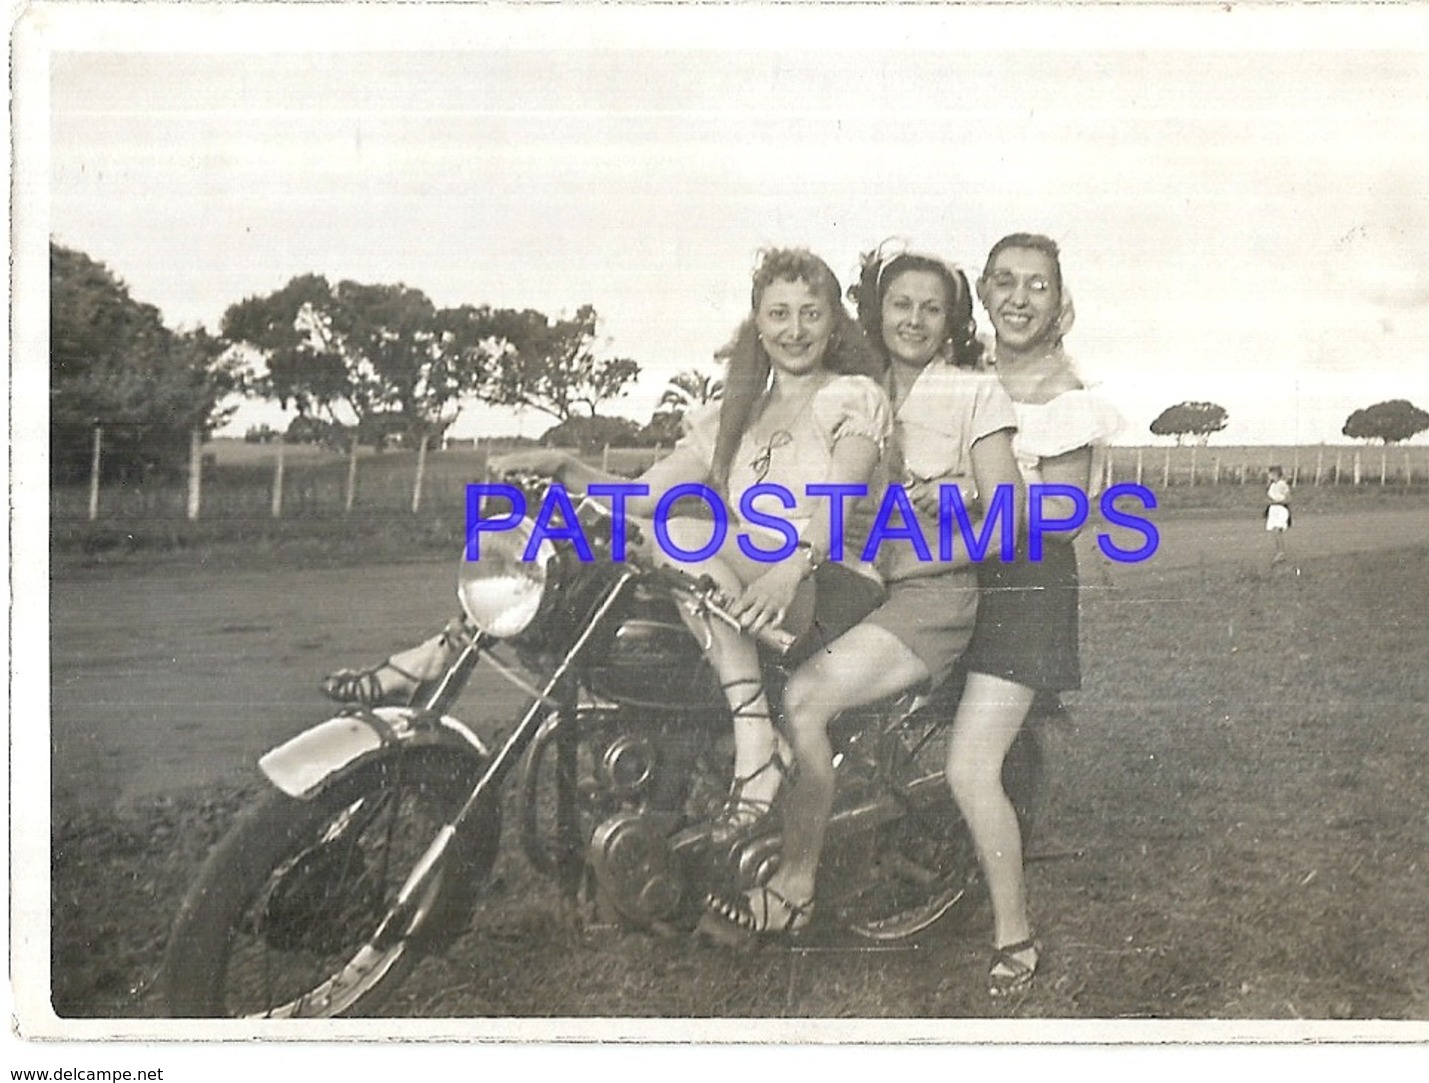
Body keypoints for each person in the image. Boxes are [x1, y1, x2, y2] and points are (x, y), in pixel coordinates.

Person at [321, 248, 892, 839]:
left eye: (810, 314)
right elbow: (641, 497)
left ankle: (755, 739)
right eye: (779, 314)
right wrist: (566, 467)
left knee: (670, 535)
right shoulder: (736, 410)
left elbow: (836, 504)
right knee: (569, 535)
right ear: (757, 322)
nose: (794, 331)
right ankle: (440, 650)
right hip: (745, 578)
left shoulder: (851, 397)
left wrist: (787, 571)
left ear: (834, 322)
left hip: (820, 582)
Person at [702, 244, 1025, 951]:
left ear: (952, 320)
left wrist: (916, 556)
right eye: (900, 303)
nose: (914, 318)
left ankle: (793, 888)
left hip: (926, 599)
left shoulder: (973, 391)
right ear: (874, 312)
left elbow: (1009, 519)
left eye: (932, 307)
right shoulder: (851, 383)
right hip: (851, 583)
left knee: (806, 699)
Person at [947, 232, 1124, 996]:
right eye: (1006, 282)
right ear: (983, 294)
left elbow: (1056, 516)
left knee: (968, 763)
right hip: (946, 573)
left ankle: (1012, 933)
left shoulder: (1066, 398)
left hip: (1023, 587)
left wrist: (958, 507)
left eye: (1037, 285)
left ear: (1061, 302)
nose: (1019, 298)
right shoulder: (959, 378)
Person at [1265, 465, 1292, 565]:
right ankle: (1280, 552)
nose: (1269, 476)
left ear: (1275, 474)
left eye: (1271, 474)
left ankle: (1281, 553)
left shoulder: (1282, 484)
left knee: (1277, 531)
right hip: (1273, 510)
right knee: (1275, 532)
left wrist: (1276, 502)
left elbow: (1288, 499)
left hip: (1280, 510)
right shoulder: (1272, 485)